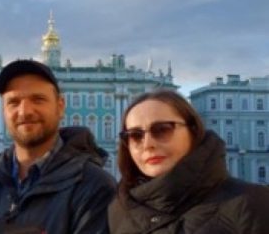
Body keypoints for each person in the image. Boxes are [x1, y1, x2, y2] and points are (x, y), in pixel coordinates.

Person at [0, 60, 115, 234]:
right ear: (3, 111)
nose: (25, 111)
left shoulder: (95, 186)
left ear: (60, 106)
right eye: (14, 102)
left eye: (38, 99)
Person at [107, 89, 269, 233]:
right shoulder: (119, 210)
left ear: (193, 131)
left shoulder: (253, 203)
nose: (148, 144)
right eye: (135, 135)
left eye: (163, 129)